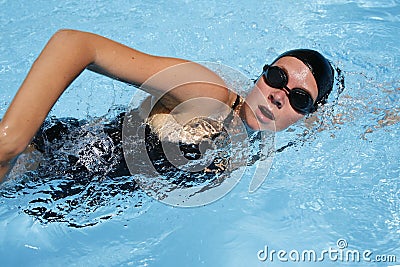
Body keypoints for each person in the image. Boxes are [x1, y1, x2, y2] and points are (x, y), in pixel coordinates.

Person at [0, 29, 334, 182]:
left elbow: (343, 117)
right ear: (261, 76)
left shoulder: (264, 139)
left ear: (306, 115)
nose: (279, 95)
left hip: (56, 197)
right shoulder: (207, 92)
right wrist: (10, 141)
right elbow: (75, 44)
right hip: (38, 159)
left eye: (300, 98)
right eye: (277, 77)